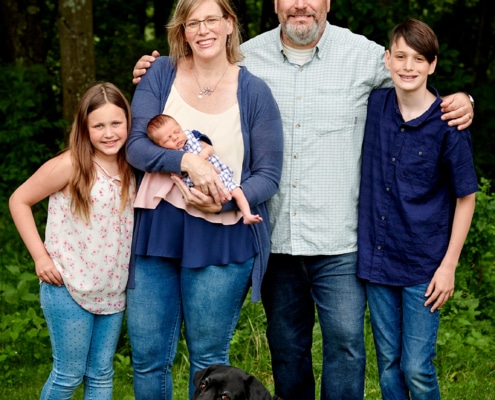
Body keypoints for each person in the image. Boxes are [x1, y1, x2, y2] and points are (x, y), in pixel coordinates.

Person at [132, 1, 474, 399]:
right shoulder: (247, 57)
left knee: (346, 346)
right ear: (275, 4)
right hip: (278, 238)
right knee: (287, 350)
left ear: (327, 2)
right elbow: (190, 73)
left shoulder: (363, 55)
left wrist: (463, 98)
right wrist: (153, 69)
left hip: (339, 239)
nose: (300, 4)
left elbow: (414, 76)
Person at [125, 0, 284, 399]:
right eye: (192, 22)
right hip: (157, 234)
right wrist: (187, 161)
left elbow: (268, 175)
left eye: (212, 19)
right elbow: (136, 147)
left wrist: (228, 201)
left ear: (230, 24)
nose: (203, 29)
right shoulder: (160, 74)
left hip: (221, 241)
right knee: (147, 357)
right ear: (182, 30)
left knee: (209, 359)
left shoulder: (254, 92)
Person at [357, 18, 477, 400]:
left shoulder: (449, 124)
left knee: (417, 368)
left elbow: (466, 197)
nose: (409, 67)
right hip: (377, 261)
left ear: (432, 65)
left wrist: (448, 266)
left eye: (419, 59)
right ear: (388, 59)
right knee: (389, 366)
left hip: (423, 265)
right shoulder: (374, 105)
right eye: (402, 57)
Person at [9, 82, 135, 399]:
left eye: (116, 123)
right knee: (68, 375)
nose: (109, 133)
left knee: (101, 375)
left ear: (128, 122)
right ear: (85, 128)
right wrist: (40, 257)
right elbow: (19, 200)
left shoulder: (132, 166)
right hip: (68, 284)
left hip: (112, 290)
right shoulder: (72, 164)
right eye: (99, 126)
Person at [134, 113, 263, 224]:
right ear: (161, 146)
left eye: (177, 131)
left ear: (180, 127)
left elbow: (210, 148)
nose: (175, 138)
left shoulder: (193, 136)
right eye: (168, 139)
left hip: (220, 175)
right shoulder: (171, 156)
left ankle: (247, 215)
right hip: (199, 185)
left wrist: (203, 155)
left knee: (237, 192)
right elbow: (176, 176)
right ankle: (219, 197)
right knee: (202, 194)